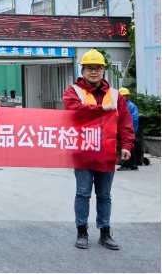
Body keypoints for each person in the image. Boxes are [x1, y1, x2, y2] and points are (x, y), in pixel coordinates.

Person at [63, 49, 134, 250]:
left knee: (104, 195)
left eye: (97, 68)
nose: (93, 72)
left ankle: (105, 232)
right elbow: (73, 111)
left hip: (106, 152)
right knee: (83, 193)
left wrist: (127, 145)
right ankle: (82, 231)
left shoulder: (115, 95)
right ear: (83, 70)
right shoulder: (73, 92)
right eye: (89, 68)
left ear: (103, 70)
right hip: (83, 152)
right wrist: (101, 109)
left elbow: (125, 122)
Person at [117, 87, 140, 171]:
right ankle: (132, 164)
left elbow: (133, 119)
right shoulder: (119, 105)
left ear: (127, 96)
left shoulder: (131, 106)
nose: (122, 97)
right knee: (128, 147)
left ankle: (127, 164)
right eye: (120, 96)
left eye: (124, 96)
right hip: (123, 130)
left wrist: (129, 130)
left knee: (127, 147)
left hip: (129, 130)